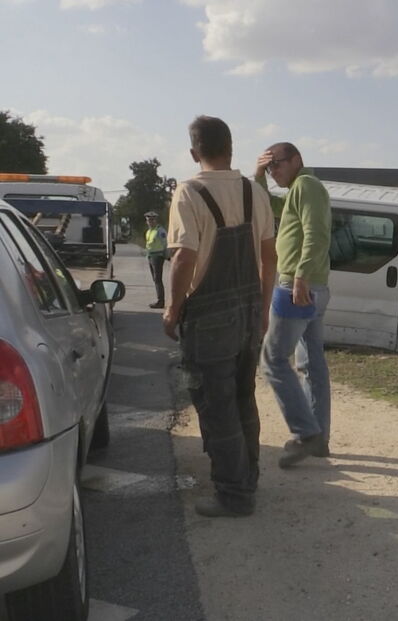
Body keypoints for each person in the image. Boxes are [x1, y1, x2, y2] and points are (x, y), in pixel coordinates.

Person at [163, 116, 277, 518]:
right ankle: (248, 478)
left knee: (218, 405)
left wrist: (173, 308)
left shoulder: (188, 191)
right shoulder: (253, 191)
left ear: (195, 153)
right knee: (244, 399)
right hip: (248, 314)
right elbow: (269, 256)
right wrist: (263, 310)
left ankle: (234, 495)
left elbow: (184, 258)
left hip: (209, 318)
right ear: (231, 148)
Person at [255, 143, 333, 468]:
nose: (274, 172)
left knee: (272, 359)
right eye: (269, 168)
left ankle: (305, 433)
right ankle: (318, 438)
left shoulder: (307, 186)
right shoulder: (296, 190)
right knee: (311, 361)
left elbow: (316, 232)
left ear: (297, 160)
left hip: (297, 286)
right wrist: (257, 176)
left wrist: (300, 275)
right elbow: (266, 205)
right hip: (308, 285)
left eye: (277, 165)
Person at [144, 211, 168, 308]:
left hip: (158, 256)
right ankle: (159, 299)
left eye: (152, 220)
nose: (150, 222)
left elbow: (166, 243)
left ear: (156, 220)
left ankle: (160, 301)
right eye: (149, 220)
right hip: (150, 256)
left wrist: (167, 255)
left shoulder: (160, 230)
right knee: (155, 279)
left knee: (158, 279)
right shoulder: (149, 231)